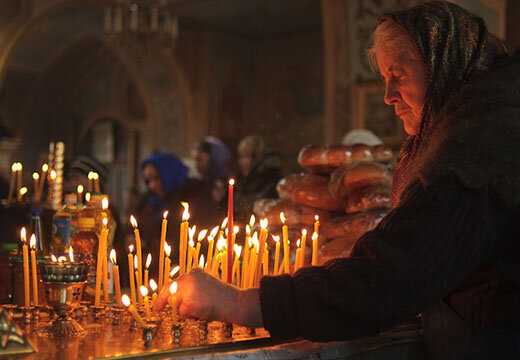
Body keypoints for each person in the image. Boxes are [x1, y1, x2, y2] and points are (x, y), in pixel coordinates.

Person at [155, 2, 520, 359]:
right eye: (383, 79)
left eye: (400, 75)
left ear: (445, 64)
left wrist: (237, 302)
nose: (389, 96)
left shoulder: (479, 149)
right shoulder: (489, 120)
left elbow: (387, 278)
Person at [132, 152, 217, 271]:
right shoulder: (147, 201)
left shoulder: (193, 194)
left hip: (189, 268)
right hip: (156, 270)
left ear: (168, 173)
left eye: (156, 178)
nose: (151, 185)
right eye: (147, 180)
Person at [235, 135, 282, 221]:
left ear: (257, 158)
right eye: (240, 157)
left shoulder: (268, 177)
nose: (242, 162)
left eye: (246, 156)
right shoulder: (243, 178)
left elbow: (258, 205)